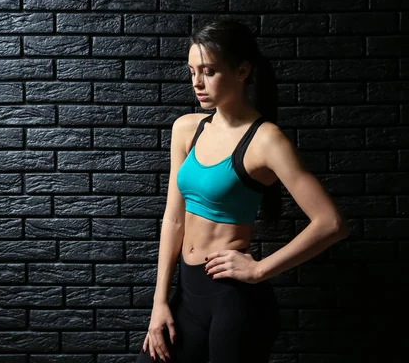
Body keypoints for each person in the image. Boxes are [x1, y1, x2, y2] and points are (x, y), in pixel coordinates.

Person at [136, 19, 350, 363]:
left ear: (242, 71)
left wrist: (259, 269)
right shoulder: (187, 129)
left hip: (234, 301)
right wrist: (160, 302)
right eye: (192, 71)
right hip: (187, 294)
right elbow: (174, 219)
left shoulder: (266, 140)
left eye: (208, 71)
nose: (197, 83)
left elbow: (331, 223)